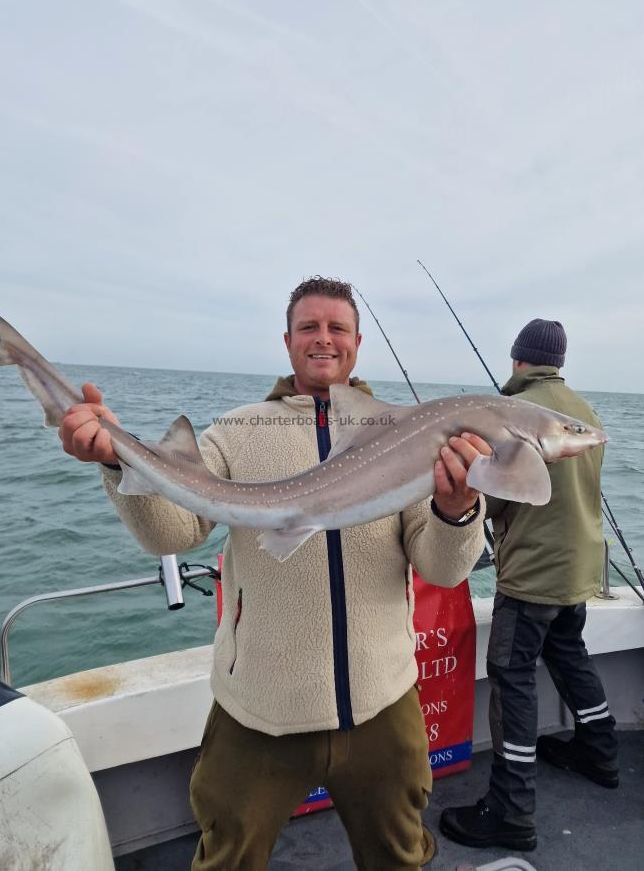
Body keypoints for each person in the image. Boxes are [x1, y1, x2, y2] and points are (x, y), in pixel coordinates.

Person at [59, 277, 492, 870]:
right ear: (286, 341)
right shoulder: (237, 431)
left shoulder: (408, 435)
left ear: (358, 342)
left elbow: (441, 569)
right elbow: (173, 533)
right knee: (228, 858)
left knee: (401, 858)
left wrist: (456, 508)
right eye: (309, 327)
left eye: (337, 328)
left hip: (381, 702)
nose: (324, 339)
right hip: (259, 708)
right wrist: (116, 462)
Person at [440, 318, 618, 854]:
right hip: (580, 566)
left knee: (512, 677)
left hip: (533, 573)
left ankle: (512, 810)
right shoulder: (581, 413)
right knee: (570, 656)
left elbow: (493, 496)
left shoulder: (510, 415)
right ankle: (601, 750)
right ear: (557, 361)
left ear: (518, 359)